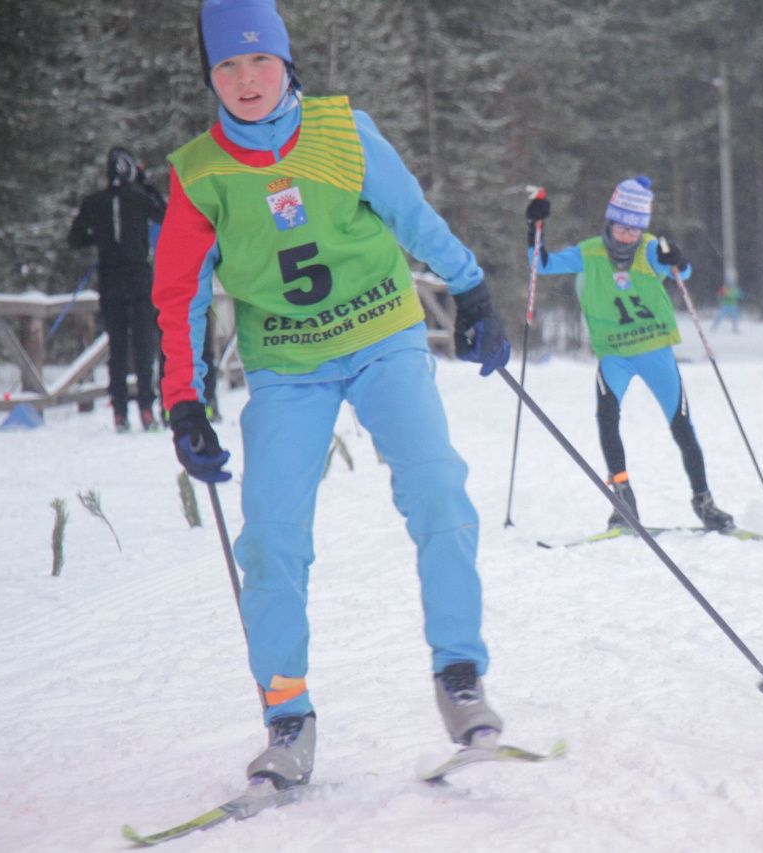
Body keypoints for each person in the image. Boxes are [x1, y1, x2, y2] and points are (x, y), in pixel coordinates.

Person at [153, 0, 512, 790]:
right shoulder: (198, 174)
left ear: (287, 63)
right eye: (228, 66)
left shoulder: (343, 132)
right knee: (272, 535)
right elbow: (177, 293)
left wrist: (472, 287)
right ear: (210, 76)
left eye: (260, 61)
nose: (246, 80)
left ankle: (460, 675)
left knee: (438, 488)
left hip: (384, 336)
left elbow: (410, 215)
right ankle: (287, 714)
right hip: (287, 365)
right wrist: (184, 398)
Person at [522, 176, 735, 532]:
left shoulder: (649, 249)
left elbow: (683, 270)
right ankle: (622, 497)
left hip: (654, 351)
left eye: (634, 230)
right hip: (615, 354)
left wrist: (677, 258)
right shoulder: (588, 252)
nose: (627, 236)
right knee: (606, 417)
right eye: (621, 227)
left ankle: (704, 501)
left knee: (682, 426)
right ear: (610, 222)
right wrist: (534, 227)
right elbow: (541, 265)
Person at [67, 145, 167, 432]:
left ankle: (120, 413)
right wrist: (147, 184)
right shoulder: (139, 198)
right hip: (139, 278)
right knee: (144, 346)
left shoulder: (93, 201)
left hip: (110, 280)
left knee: (118, 349)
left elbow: (74, 239)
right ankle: (147, 410)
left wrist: (99, 240)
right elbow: (165, 214)